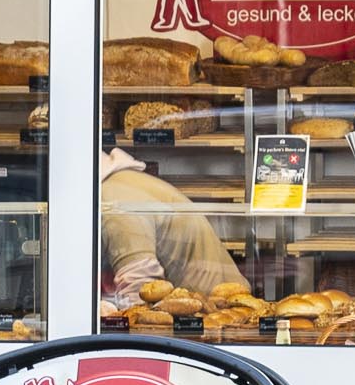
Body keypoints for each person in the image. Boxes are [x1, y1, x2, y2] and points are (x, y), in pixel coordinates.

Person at [99, 100, 245, 312]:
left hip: (216, 313)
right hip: (200, 311)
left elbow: (139, 288)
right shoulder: (118, 185)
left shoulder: (114, 200)